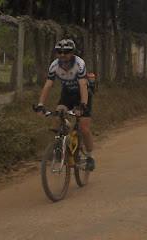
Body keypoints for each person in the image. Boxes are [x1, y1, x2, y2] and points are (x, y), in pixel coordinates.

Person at [35, 39, 95, 171]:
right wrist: (40, 105)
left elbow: (83, 85)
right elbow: (48, 85)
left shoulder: (79, 64)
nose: (62, 55)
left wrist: (83, 105)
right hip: (67, 94)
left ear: (72, 52)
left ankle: (90, 157)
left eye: (66, 52)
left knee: (84, 128)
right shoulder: (54, 66)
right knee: (57, 117)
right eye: (59, 52)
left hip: (83, 94)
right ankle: (60, 147)